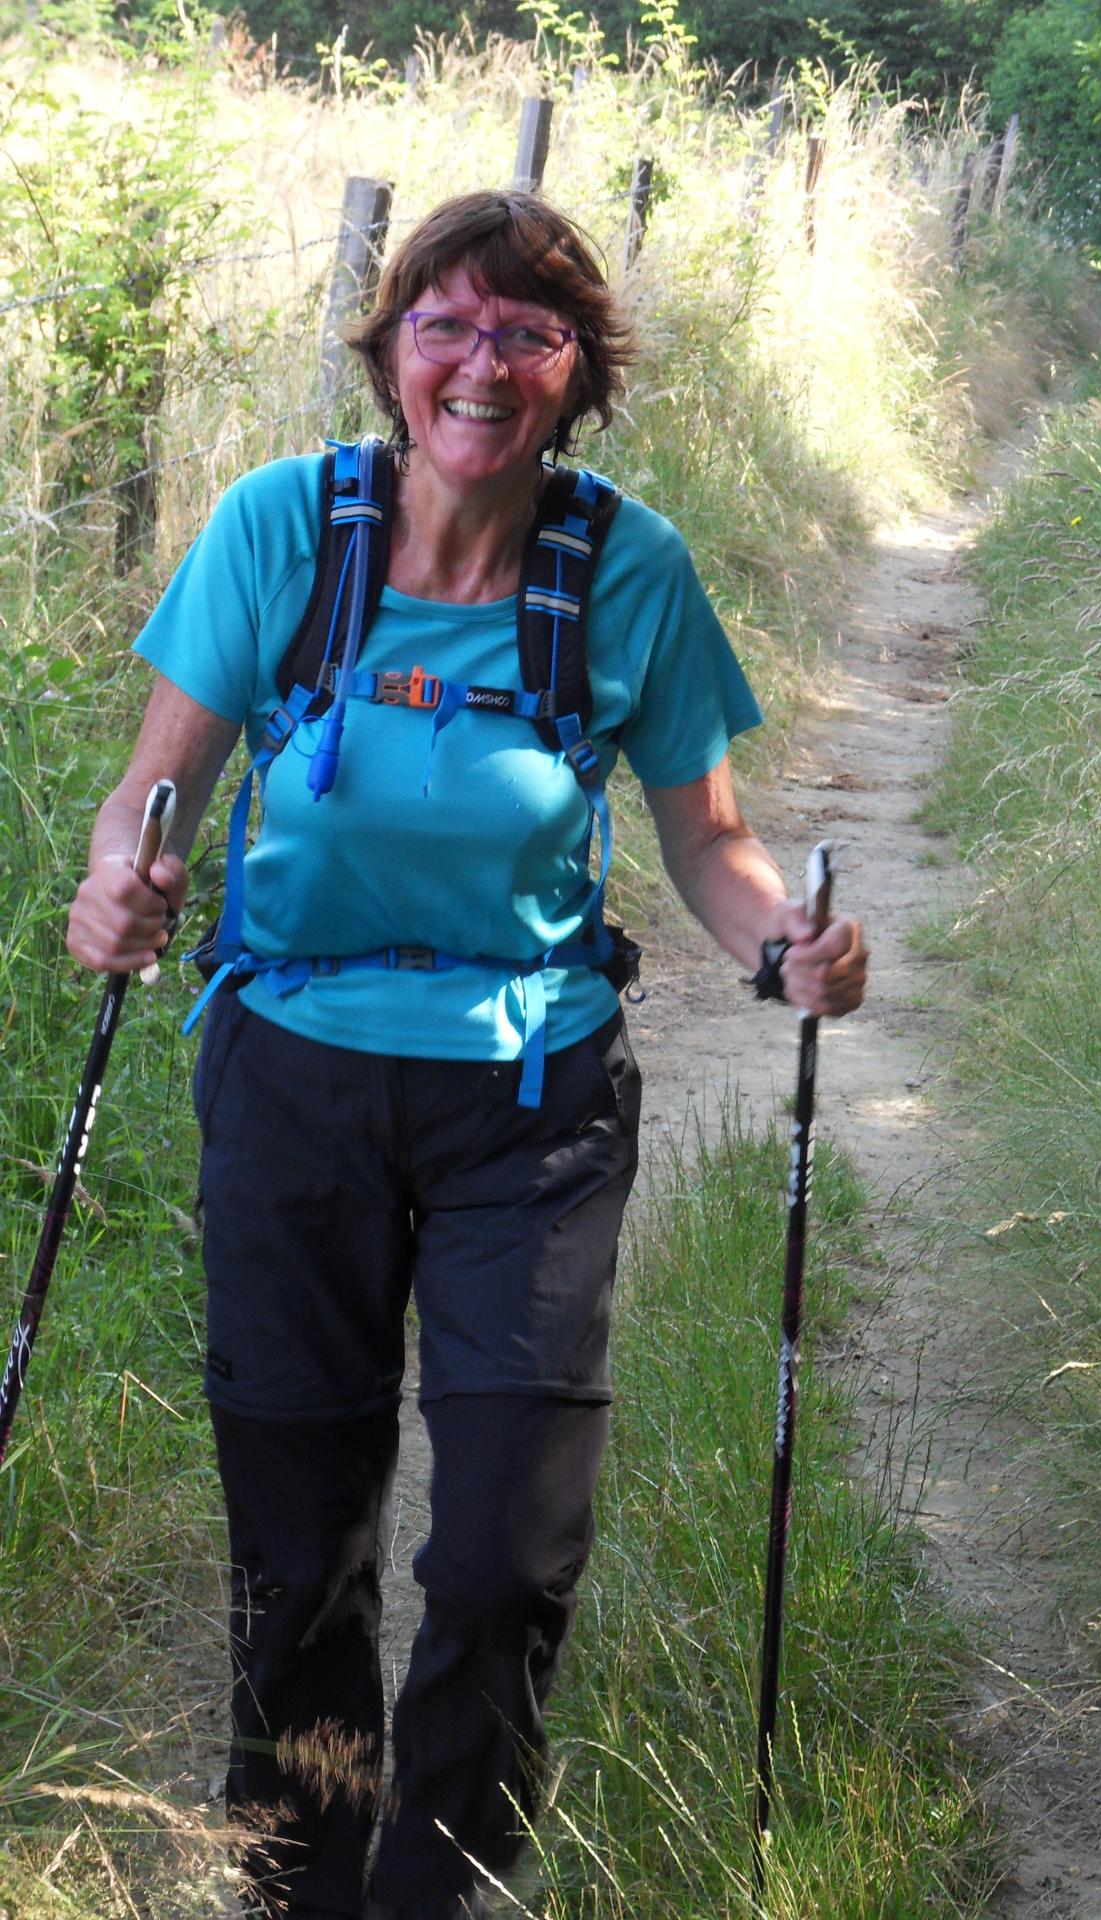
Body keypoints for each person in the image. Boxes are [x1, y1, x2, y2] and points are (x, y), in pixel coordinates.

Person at [65, 190, 867, 1920]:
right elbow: (158, 797)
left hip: (533, 1101)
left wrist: (783, 949)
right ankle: (306, 1876)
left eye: (527, 332)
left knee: (502, 1549)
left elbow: (713, 845)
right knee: (300, 1552)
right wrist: (121, 886)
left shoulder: (624, 572)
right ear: (389, 353)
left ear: (579, 374)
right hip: (291, 1076)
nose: (481, 365)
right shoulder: (286, 531)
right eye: (445, 324)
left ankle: (440, 1883)